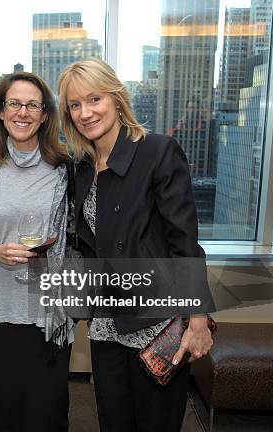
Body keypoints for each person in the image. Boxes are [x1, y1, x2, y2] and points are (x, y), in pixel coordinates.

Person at [57, 58, 213, 432]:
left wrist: (198, 318)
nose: (85, 112)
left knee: (156, 423)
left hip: (156, 321)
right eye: (75, 105)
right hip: (107, 321)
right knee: (113, 421)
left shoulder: (157, 151)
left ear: (116, 97)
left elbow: (184, 241)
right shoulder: (81, 166)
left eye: (94, 99)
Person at [0, 72, 76, 432]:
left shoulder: (65, 169)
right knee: (1, 414)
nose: (23, 113)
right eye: (14, 104)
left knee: (46, 414)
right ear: (1, 114)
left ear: (44, 115)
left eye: (32, 105)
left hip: (48, 312)